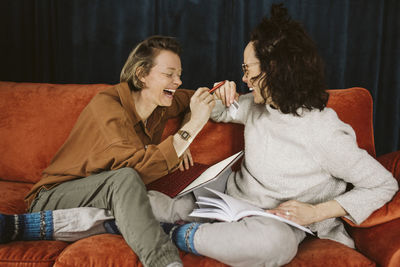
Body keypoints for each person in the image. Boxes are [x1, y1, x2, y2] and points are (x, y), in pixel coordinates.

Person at [149, 4, 398, 266]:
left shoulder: (323, 131)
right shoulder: (257, 106)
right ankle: (122, 216)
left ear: (276, 70)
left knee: (275, 244)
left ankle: (174, 235)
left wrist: (315, 212)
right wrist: (220, 92)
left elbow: (383, 184)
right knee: (155, 204)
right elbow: (218, 111)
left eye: (248, 70)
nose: (245, 79)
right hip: (225, 202)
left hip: (272, 222)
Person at [0, 35, 216, 267]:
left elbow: (194, 100)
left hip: (101, 195)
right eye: (169, 74)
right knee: (126, 180)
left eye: (179, 74)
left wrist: (219, 92)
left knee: (166, 205)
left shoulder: (159, 103)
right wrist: (189, 132)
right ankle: (165, 263)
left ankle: (101, 223)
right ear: (142, 75)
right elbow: (135, 172)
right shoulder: (109, 107)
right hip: (54, 196)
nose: (178, 81)